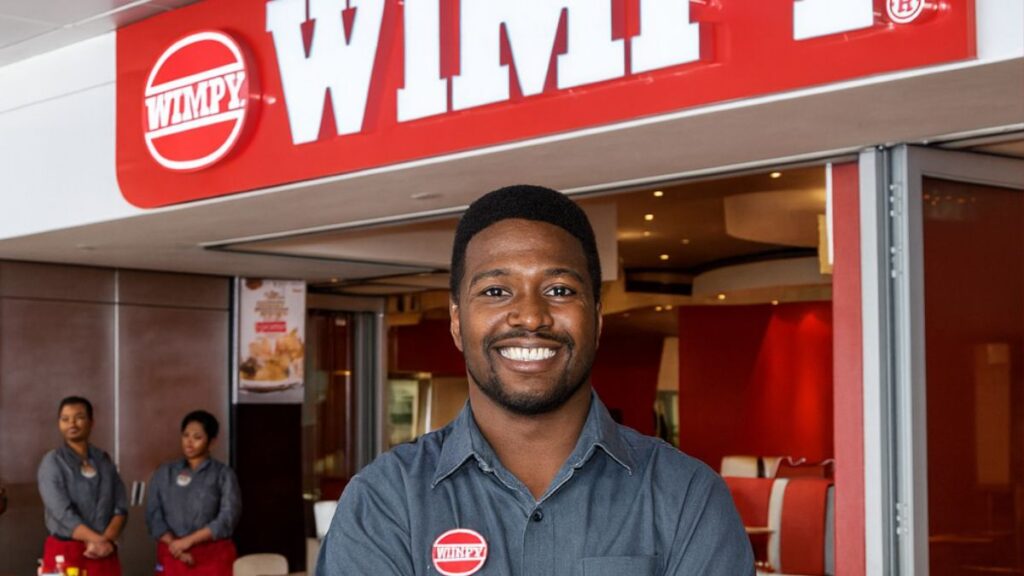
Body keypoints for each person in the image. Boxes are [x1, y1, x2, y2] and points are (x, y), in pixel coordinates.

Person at [318, 185, 754, 575]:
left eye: (559, 290)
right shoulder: (385, 500)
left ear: (597, 319)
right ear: (456, 322)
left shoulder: (688, 497)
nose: (529, 316)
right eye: (495, 291)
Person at [38, 396, 127, 576]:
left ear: (91, 422)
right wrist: (97, 540)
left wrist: (106, 540)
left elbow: (120, 506)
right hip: (66, 552)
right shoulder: (52, 462)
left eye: (79, 417)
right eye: (65, 419)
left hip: (104, 552)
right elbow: (61, 511)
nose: (72, 423)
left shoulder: (104, 460)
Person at [146, 410, 241, 576]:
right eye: (186, 435)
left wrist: (189, 541)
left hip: (212, 556)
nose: (189, 442)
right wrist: (176, 546)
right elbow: (154, 515)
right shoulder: (165, 472)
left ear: (212, 442)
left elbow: (228, 517)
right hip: (173, 554)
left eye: (197, 437)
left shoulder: (223, 474)